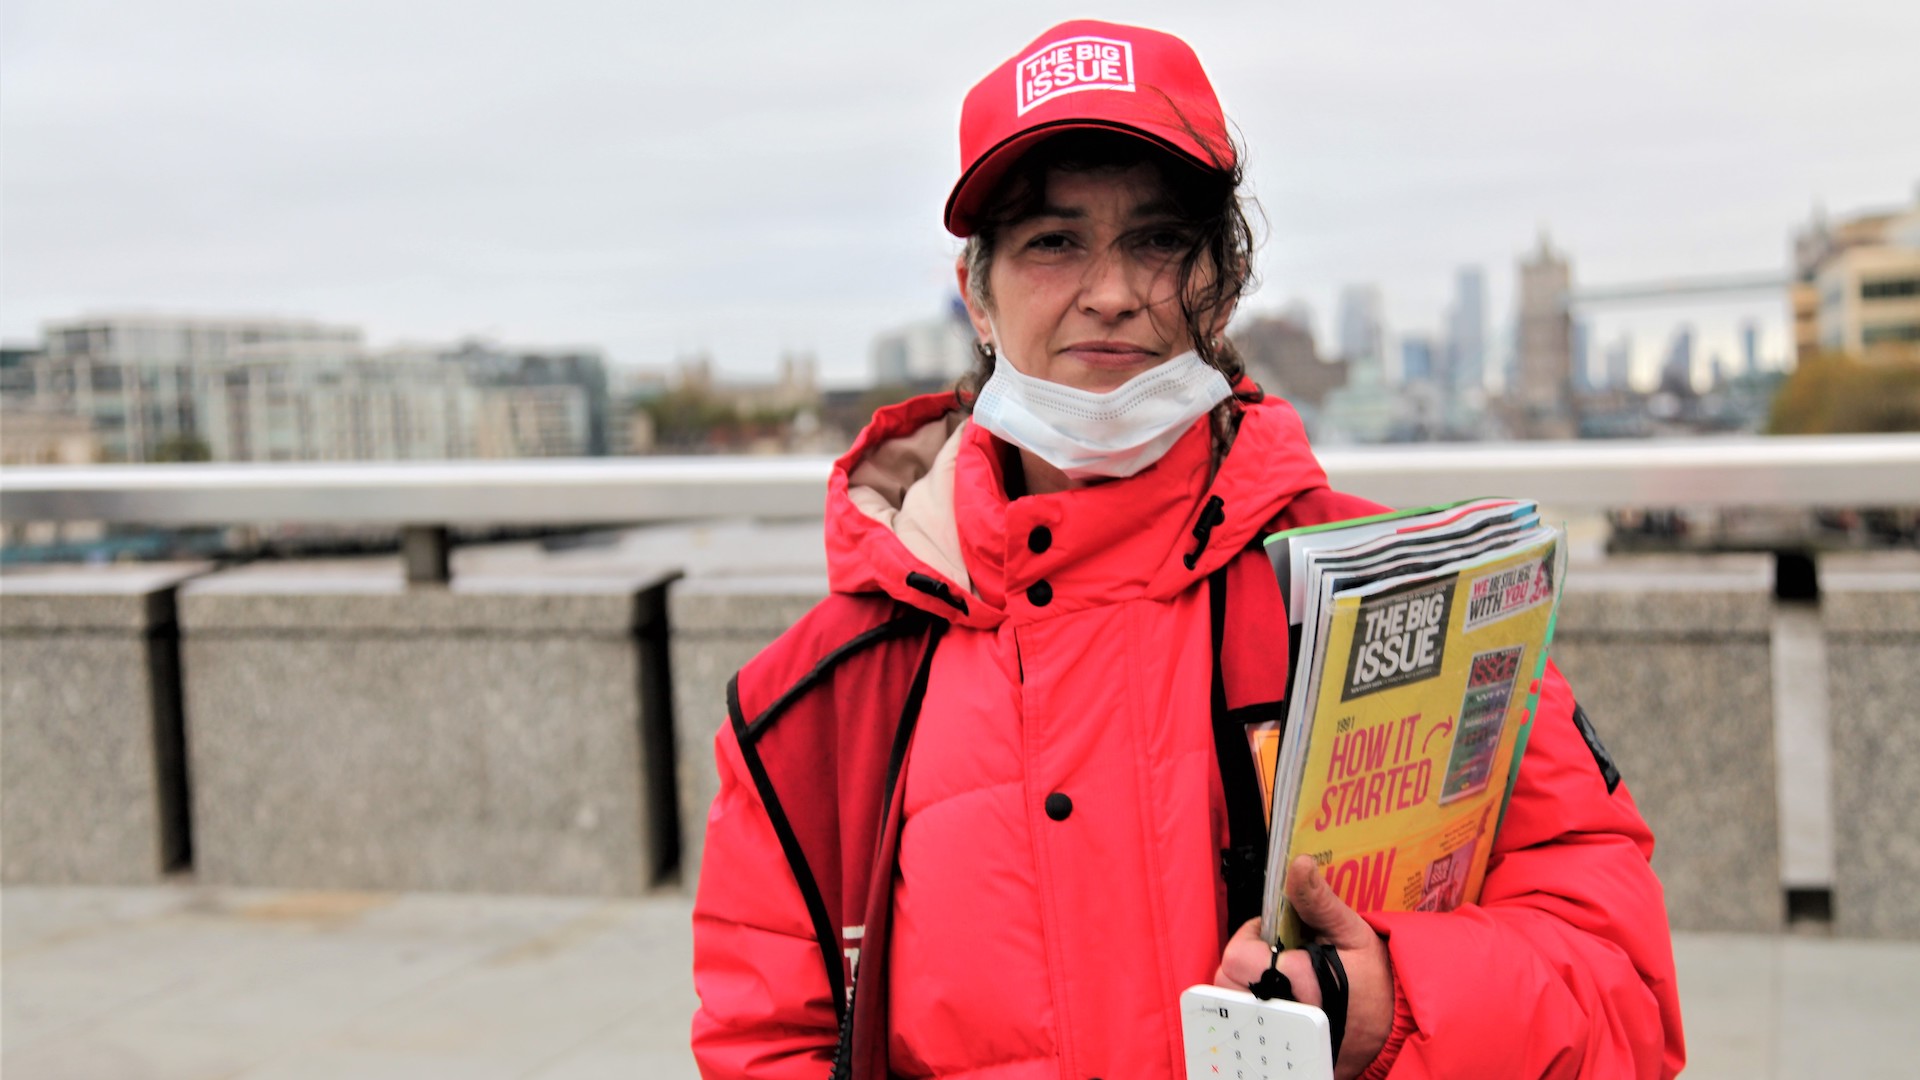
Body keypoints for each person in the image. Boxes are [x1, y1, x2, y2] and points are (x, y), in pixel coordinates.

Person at [692, 19, 1684, 1080]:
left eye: (1159, 240)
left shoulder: (1411, 600)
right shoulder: (818, 704)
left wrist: (1387, 1005)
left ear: (1224, 281)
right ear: (976, 294)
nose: (1112, 291)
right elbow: (766, 1044)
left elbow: (1621, 994)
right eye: (1052, 241)